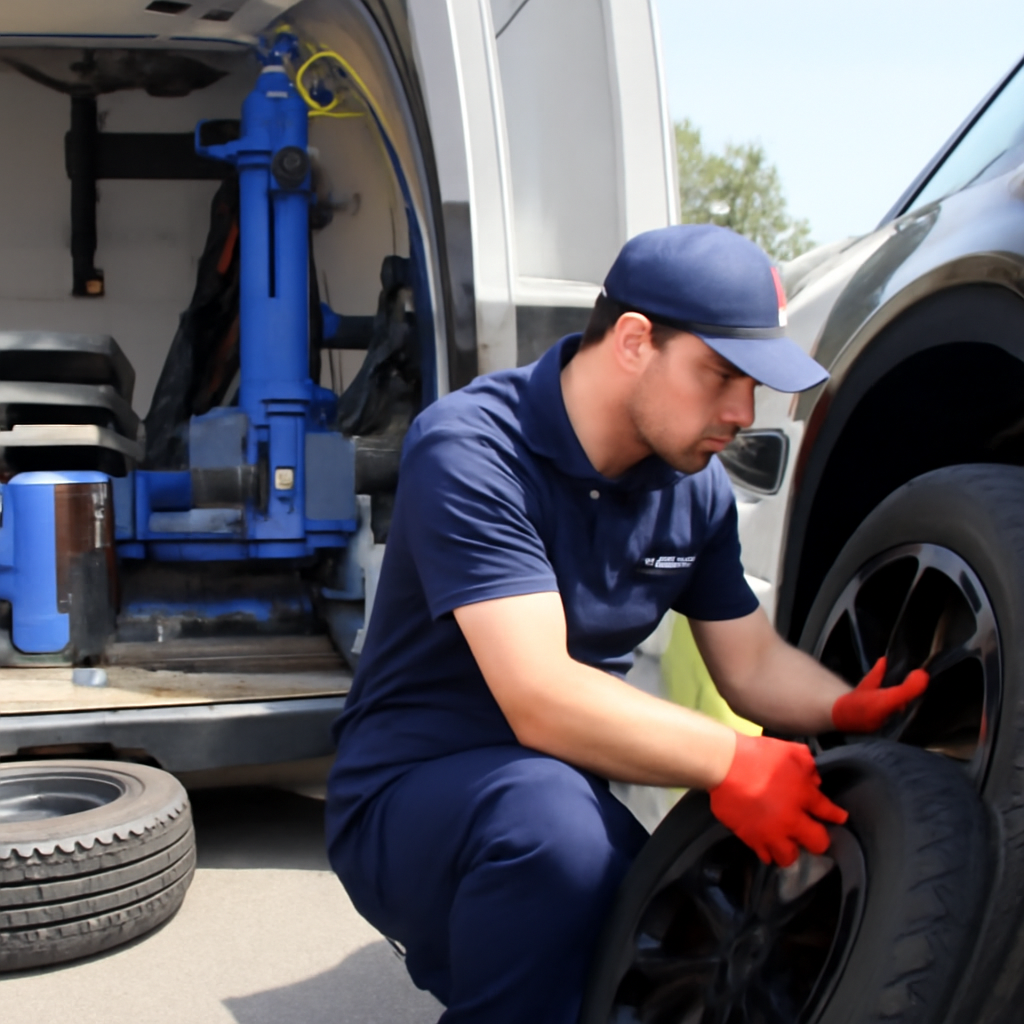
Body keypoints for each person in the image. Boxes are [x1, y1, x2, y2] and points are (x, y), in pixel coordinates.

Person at [325, 224, 928, 1024]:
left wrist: (846, 704)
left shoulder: (695, 491)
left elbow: (749, 664)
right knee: (563, 849)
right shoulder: (472, 448)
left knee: (650, 933)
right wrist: (733, 761)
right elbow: (537, 695)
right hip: (411, 795)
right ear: (636, 341)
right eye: (721, 375)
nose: (743, 412)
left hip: (555, 787)